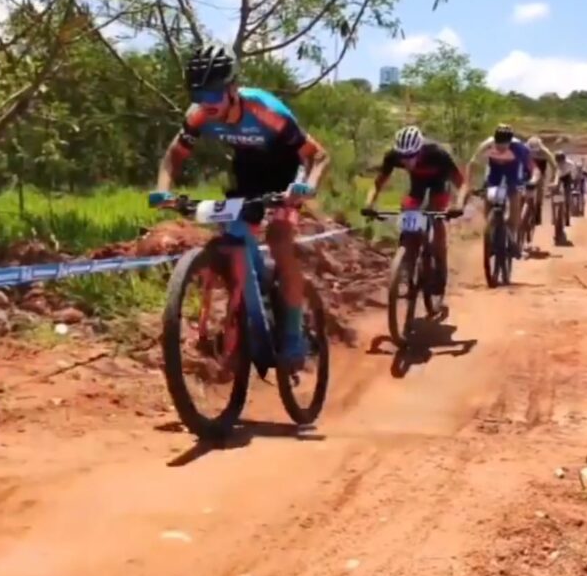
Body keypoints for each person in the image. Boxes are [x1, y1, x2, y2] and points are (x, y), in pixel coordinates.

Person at [153, 44, 330, 366]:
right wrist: (163, 191)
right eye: (198, 97)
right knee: (233, 232)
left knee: (279, 239)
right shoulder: (198, 115)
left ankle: (293, 339)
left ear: (233, 89)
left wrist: (306, 187)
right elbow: (173, 156)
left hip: (288, 171)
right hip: (248, 172)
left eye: (212, 97)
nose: (206, 106)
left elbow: (318, 155)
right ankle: (254, 298)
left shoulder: (265, 109)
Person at [364, 125, 464, 296]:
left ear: (420, 150)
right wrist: (369, 204)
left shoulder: (437, 154)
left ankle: (440, 266)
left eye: (411, 156)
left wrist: (459, 205)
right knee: (408, 214)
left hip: (438, 185)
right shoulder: (393, 156)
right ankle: (407, 262)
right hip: (417, 186)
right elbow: (377, 183)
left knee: (436, 217)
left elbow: (462, 183)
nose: (407, 161)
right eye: (403, 157)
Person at [469, 124, 532, 257]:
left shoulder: (520, 149)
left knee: (514, 198)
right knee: (489, 197)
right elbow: (473, 163)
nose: (500, 149)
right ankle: (491, 229)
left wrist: (527, 184)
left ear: (510, 143)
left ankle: (512, 238)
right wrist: (470, 184)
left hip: (513, 171)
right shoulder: (487, 144)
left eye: (503, 147)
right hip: (495, 172)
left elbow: (528, 169)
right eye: (498, 146)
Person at [525, 136, 557, 225]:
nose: (534, 153)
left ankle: (538, 212)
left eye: (535, 151)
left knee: (539, 192)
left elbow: (554, 166)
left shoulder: (545, 152)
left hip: (541, 174)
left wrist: (553, 178)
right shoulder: (524, 149)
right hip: (527, 172)